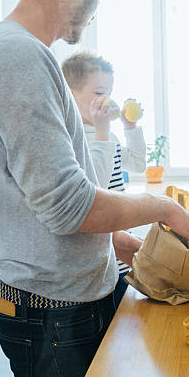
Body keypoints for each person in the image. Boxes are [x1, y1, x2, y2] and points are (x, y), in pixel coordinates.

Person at [0, 0, 189, 377]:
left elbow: (40, 206)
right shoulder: (15, 56)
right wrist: (165, 207)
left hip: (62, 306)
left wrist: (121, 246)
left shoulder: (20, 54)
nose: (97, 9)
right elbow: (70, 207)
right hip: (55, 314)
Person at [61, 52, 146, 307]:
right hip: (102, 252)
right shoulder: (74, 139)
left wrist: (129, 128)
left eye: (109, 92)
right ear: (70, 95)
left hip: (119, 252)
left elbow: (138, 164)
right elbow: (93, 184)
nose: (107, 99)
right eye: (99, 93)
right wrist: (102, 130)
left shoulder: (107, 137)